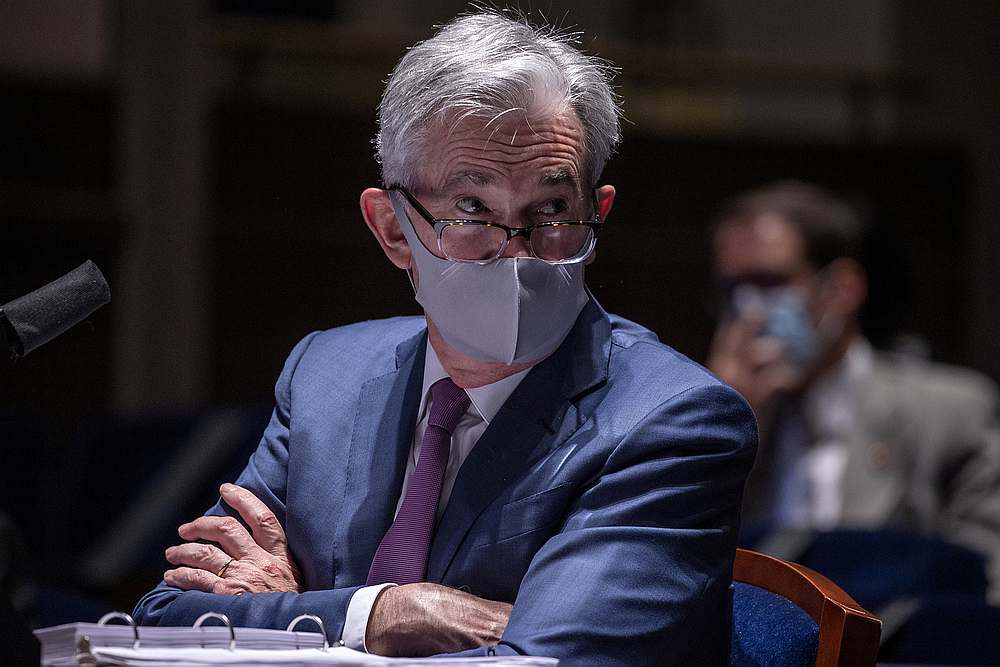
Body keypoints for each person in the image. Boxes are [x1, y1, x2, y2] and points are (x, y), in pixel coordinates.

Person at [132, 11, 757, 664]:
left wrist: (293, 623)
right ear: (393, 230)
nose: (518, 253)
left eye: (551, 210)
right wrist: (379, 613)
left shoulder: (672, 421)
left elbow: (542, 663)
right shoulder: (327, 373)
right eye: (472, 210)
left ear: (595, 216)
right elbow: (167, 618)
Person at [707, 180, 1000, 598]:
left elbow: (986, 584)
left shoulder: (951, 413)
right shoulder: (713, 415)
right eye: (733, 289)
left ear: (842, 289)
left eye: (770, 282)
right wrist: (724, 424)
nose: (749, 310)